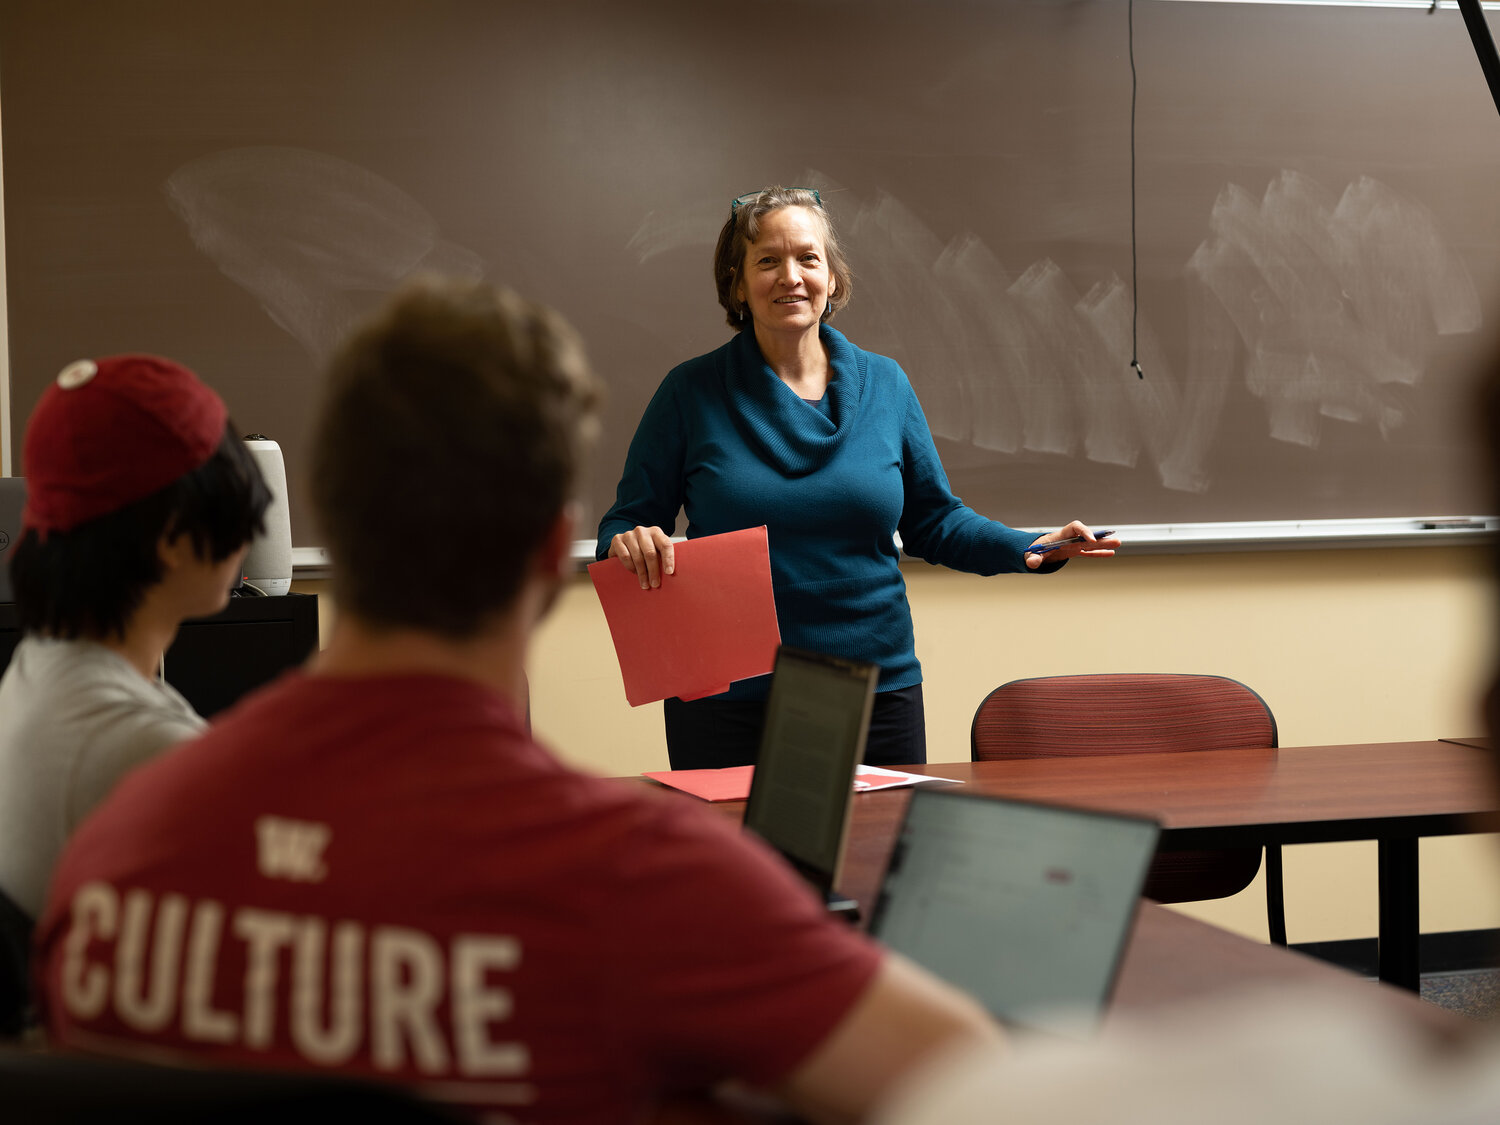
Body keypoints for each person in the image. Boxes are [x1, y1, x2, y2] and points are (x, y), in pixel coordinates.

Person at [34, 277, 999, 1125]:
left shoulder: (116, 841)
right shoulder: (644, 882)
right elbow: (978, 1082)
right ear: (552, 550)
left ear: (332, 512)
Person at [598, 186, 1119, 770]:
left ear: (832, 278)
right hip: (728, 701)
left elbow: (933, 521)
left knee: (875, 859)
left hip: (875, 690)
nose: (790, 276)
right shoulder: (688, 394)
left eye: (808, 258)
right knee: (741, 864)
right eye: (768, 260)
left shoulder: (886, 384)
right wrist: (628, 540)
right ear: (737, 284)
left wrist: (1027, 547)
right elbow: (626, 521)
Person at [0, 354, 269, 921]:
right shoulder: (149, 754)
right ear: (173, 537)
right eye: (237, 508)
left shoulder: (37, 666)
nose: (249, 537)